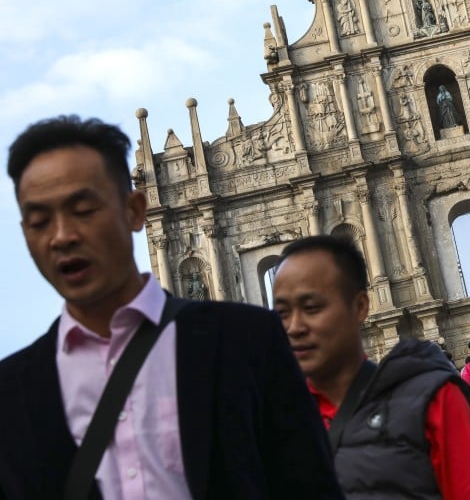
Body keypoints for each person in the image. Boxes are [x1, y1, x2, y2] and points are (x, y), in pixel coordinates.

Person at [0, 115, 343, 499]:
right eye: (39, 220)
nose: (61, 236)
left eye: (83, 210)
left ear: (135, 210)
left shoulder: (248, 342)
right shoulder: (11, 395)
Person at [272, 234, 470, 499]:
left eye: (311, 307)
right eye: (282, 314)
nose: (294, 327)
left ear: (359, 307)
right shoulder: (277, 421)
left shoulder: (433, 400)